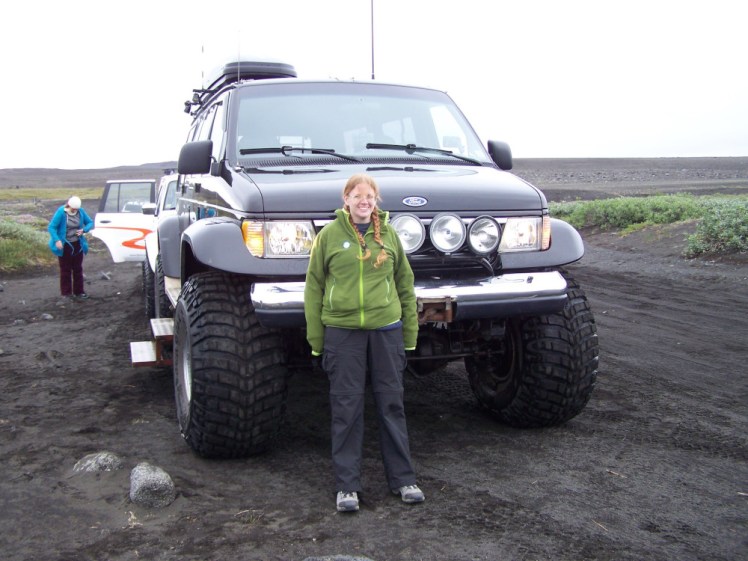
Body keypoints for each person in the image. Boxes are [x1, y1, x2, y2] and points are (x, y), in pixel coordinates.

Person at [304, 173, 425, 512]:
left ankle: (404, 480)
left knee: (391, 406)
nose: (364, 201)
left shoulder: (388, 235)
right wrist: (317, 338)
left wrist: (409, 334)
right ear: (346, 199)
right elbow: (313, 286)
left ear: (376, 201)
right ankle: (347, 487)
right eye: (357, 196)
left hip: (386, 330)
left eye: (369, 196)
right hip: (342, 333)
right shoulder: (328, 237)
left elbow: (405, 283)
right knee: (346, 409)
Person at [48, 195, 94, 299]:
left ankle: (79, 292)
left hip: (77, 244)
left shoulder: (81, 211)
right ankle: (66, 293)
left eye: (76, 209)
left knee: (78, 268)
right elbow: (51, 227)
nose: (75, 211)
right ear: (69, 205)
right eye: (73, 209)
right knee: (65, 269)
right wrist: (57, 240)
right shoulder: (61, 212)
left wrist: (84, 230)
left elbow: (90, 222)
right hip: (65, 245)